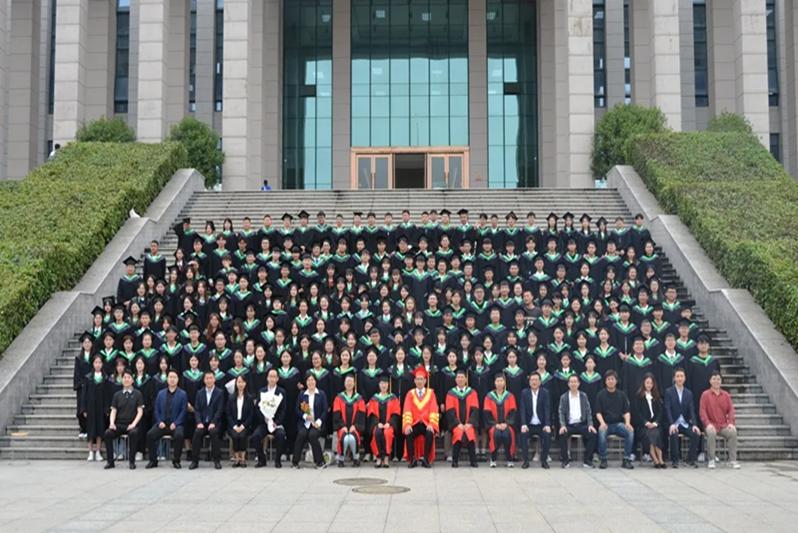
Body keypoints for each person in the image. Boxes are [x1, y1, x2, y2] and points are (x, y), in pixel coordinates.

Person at [145, 369, 188, 469]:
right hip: (162, 424)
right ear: (167, 379)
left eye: (174, 377)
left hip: (176, 424)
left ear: (178, 379)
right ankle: (153, 460)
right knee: (150, 435)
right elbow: (156, 410)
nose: (172, 379)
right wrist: (159, 421)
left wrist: (176, 423)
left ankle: (176, 460)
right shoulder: (161, 394)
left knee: (179, 435)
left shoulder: (183, 394)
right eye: (170, 377)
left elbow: (183, 411)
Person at [103, 369, 144, 470]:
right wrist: (112, 423)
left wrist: (133, 424)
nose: (126, 379)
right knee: (108, 433)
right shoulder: (117, 395)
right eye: (124, 377)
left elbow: (140, 411)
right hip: (119, 424)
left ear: (132, 380)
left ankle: (132, 462)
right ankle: (110, 462)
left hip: (131, 424)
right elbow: (113, 411)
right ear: (122, 380)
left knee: (133, 433)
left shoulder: (137, 394)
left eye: (128, 378)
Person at [699, 371, 741, 469]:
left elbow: (731, 410)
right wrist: (707, 424)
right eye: (714, 379)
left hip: (723, 425)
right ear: (710, 381)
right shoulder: (705, 395)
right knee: (711, 432)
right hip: (710, 424)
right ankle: (711, 459)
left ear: (721, 381)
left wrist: (731, 423)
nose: (716, 381)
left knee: (733, 432)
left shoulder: (726, 395)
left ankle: (733, 460)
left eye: (718, 379)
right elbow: (702, 411)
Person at [595, 370, 634, 469]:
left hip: (618, 424)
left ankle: (626, 459)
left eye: (612, 379)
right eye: (608, 379)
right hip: (606, 424)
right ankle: (603, 459)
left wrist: (627, 423)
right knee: (601, 433)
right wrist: (602, 423)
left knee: (630, 432)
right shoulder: (600, 395)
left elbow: (626, 412)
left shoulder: (622, 395)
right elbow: (598, 412)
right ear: (605, 381)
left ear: (616, 381)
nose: (610, 381)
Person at [402, 366, 440, 468]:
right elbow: (407, 410)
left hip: (426, 423)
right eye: (417, 379)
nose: (419, 381)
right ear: (414, 381)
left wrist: (431, 424)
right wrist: (407, 424)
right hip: (414, 423)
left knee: (430, 432)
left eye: (421, 379)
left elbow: (434, 410)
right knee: (408, 432)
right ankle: (412, 459)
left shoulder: (431, 393)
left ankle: (426, 459)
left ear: (425, 381)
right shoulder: (410, 394)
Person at [557, 375, 597, 469]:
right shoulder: (564, 397)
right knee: (562, 434)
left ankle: (587, 460)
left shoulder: (583, 396)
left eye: (575, 382)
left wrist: (590, 425)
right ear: (568, 384)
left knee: (592, 434)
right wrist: (562, 425)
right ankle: (565, 460)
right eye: (571, 382)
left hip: (581, 423)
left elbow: (588, 411)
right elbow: (561, 412)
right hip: (569, 424)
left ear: (579, 383)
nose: (573, 384)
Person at [251, 368, 288, 468]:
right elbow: (257, 408)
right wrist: (264, 419)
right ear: (267, 378)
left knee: (281, 435)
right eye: (270, 376)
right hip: (264, 422)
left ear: (277, 379)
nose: (272, 379)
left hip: (276, 423)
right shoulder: (261, 391)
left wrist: (276, 422)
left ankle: (277, 460)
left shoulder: (281, 392)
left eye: (274, 377)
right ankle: (262, 459)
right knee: (255, 436)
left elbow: (283, 410)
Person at [664, 368, 701, 468]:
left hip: (684, 423)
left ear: (685, 378)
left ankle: (690, 459)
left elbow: (691, 410)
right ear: (674, 378)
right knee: (673, 433)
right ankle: (675, 460)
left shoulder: (689, 393)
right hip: (673, 422)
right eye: (678, 376)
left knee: (696, 433)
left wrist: (694, 424)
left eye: (682, 376)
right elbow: (667, 409)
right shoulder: (669, 392)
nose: (680, 378)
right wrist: (671, 424)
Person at [292, 372, 329, 469]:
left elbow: (325, 410)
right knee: (301, 434)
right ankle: (295, 462)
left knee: (312, 435)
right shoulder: (302, 394)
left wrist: (318, 422)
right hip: (305, 423)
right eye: (308, 380)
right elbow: (297, 409)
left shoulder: (321, 394)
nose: (310, 382)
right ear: (306, 382)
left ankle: (320, 462)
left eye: (312, 380)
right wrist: (305, 416)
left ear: (315, 381)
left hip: (317, 423)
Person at [189, 371, 225, 470]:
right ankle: (194, 461)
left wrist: (213, 422)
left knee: (214, 432)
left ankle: (216, 460)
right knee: (197, 432)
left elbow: (219, 410)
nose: (209, 380)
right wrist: (199, 422)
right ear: (204, 380)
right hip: (202, 423)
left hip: (214, 423)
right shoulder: (199, 393)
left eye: (211, 378)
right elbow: (197, 410)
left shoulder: (220, 392)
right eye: (207, 378)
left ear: (214, 379)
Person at [445, 369, 480, 468]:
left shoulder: (472, 392)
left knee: (470, 433)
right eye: (458, 377)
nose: (460, 379)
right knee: (458, 433)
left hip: (469, 423)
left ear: (466, 379)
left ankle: (473, 460)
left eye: (462, 377)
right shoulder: (451, 393)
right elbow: (450, 411)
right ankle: (455, 460)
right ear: (455, 380)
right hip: (456, 424)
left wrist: (469, 423)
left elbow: (475, 409)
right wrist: (458, 423)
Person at [483, 373, 518, 468]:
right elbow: (487, 412)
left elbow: (513, 412)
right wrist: (495, 424)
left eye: (501, 381)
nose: (499, 383)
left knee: (507, 435)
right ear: (494, 383)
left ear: (504, 383)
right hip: (494, 425)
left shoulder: (509, 396)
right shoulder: (489, 396)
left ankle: (509, 459)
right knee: (496, 434)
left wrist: (506, 424)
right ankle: (493, 459)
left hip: (507, 424)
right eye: (497, 381)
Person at [519, 372, 552, 469]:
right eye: (532, 380)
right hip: (529, 424)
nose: (534, 382)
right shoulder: (524, 393)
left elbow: (547, 409)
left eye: (536, 380)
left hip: (541, 424)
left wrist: (547, 424)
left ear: (540, 382)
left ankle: (544, 460)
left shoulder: (545, 393)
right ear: (529, 382)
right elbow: (522, 409)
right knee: (523, 435)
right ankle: (525, 461)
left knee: (547, 435)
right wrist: (523, 424)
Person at [632, 373, 666, 469]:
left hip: (655, 425)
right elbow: (637, 412)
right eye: (647, 383)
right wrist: (646, 422)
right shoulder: (638, 396)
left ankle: (660, 459)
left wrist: (655, 423)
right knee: (651, 434)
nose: (649, 385)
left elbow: (661, 412)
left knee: (656, 432)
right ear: (643, 383)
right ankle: (655, 459)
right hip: (643, 426)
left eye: (651, 383)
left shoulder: (656, 396)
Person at [367, 374, 401, 468]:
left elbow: (396, 414)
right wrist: (377, 423)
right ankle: (378, 457)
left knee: (387, 433)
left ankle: (386, 457)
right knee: (377, 432)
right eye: (382, 383)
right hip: (378, 424)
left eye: (385, 383)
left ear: (388, 385)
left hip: (388, 425)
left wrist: (389, 423)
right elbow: (371, 414)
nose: (384, 385)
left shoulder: (393, 398)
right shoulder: (374, 398)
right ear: (379, 385)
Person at [333, 374, 366, 467]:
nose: (349, 383)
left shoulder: (359, 399)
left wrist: (355, 426)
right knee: (345, 438)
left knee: (351, 438)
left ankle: (356, 458)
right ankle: (341, 459)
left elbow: (361, 415)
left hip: (354, 427)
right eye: (347, 381)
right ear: (344, 383)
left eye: (351, 381)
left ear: (354, 383)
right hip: (342, 427)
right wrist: (342, 426)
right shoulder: (339, 398)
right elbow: (336, 414)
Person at [81, 355, 109, 462]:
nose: (98, 365)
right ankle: (90, 452)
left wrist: (107, 408)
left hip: (101, 407)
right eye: (96, 362)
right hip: (90, 407)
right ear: (93, 364)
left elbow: (107, 395)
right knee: (90, 429)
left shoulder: (105, 378)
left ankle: (98, 451)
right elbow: (84, 394)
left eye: (99, 362)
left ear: (102, 364)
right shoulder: (88, 377)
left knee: (100, 429)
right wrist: (84, 409)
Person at [226, 375, 254, 467]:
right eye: (238, 382)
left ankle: (243, 459)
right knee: (235, 435)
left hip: (245, 424)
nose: (240, 384)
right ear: (236, 384)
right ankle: (236, 459)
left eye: (242, 382)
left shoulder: (249, 398)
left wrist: (243, 426)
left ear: (245, 384)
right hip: (233, 424)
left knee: (242, 435)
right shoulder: (231, 398)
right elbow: (228, 414)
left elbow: (251, 415)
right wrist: (234, 426)